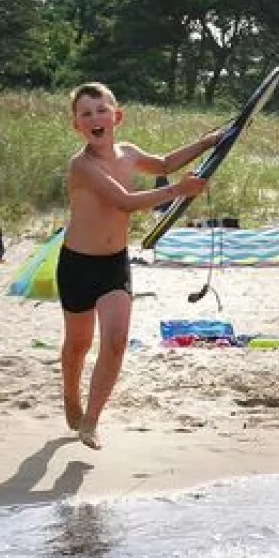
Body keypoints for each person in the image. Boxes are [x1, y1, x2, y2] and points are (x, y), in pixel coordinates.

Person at [60, 82, 220, 449]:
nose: (95, 118)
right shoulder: (81, 165)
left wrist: (208, 141)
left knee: (115, 343)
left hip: (114, 265)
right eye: (86, 114)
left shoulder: (128, 153)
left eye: (101, 110)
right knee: (78, 344)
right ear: (77, 125)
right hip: (77, 265)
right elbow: (125, 202)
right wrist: (176, 191)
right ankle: (70, 394)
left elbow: (164, 164)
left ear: (117, 116)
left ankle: (91, 421)